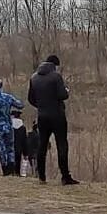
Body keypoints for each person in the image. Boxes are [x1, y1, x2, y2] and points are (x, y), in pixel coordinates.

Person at [28, 55, 79, 186]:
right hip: (57, 115)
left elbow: (30, 99)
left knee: (42, 145)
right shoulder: (56, 77)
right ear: (55, 65)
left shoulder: (34, 77)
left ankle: (41, 176)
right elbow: (62, 95)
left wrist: (41, 106)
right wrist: (67, 90)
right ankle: (65, 177)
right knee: (62, 145)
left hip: (42, 116)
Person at [0, 79, 25, 176]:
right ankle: (11, 167)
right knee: (10, 146)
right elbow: (20, 105)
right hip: (8, 125)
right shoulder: (8, 97)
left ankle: (5, 169)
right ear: (2, 86)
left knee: (0, 147)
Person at [12, 108, 32, 177]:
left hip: (10, 147)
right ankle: (17, 173)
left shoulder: (9, 126)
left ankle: (11, 173)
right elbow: (24, 141)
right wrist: (25, 152)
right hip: (19, 148)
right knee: (18, 160)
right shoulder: (22, 128)